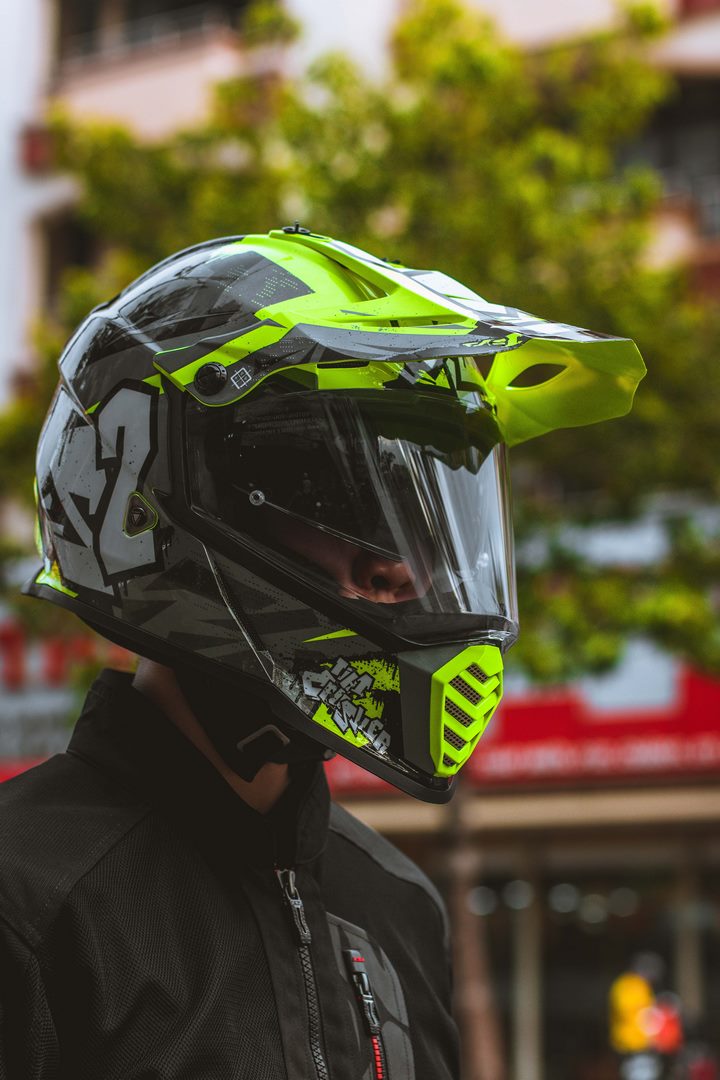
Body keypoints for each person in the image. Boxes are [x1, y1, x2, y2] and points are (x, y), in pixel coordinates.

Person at [0, 227, 645, 1077]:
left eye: (427, 518)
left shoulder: (394, 903)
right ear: (152, 501)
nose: (404, 568)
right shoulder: (28, 898)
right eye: (332, 494)